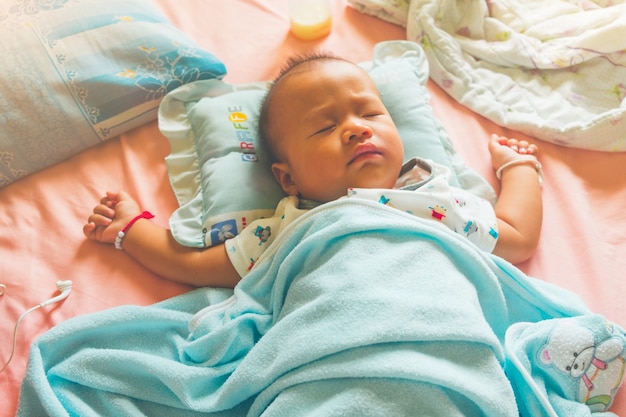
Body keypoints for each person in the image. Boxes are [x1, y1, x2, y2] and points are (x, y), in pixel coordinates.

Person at [84, 52, 542, 288]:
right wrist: (131, 229)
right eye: (325, 126)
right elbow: (197, 265)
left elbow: (515, 237)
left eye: (369, 114)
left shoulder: (434, 199)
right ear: (287, 178)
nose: (355, 129)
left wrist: (519, 167)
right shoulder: (288, 226)